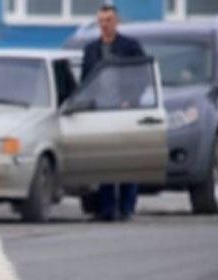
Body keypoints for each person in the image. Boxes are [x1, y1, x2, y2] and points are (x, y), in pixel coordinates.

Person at [81, 3, 145, 221]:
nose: (104, 25)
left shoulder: (130, 47)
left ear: (116, 21)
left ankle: (127, 207)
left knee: (127, 161)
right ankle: (107, 209)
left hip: (125, 110)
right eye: (101, 21)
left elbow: (141, 76)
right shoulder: (91, 49)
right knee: (105, 161)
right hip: (101, 112)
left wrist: (130, 100)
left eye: (108, 20)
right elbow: (85, 81)